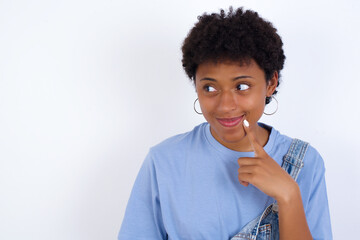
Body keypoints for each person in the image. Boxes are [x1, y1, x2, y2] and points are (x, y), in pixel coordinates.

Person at [118, 7, 332, 240]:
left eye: (242, 86)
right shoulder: (164, 162)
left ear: (270, 83)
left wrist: (289, 196)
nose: (225, 105)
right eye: (209, 88)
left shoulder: (306, 164)